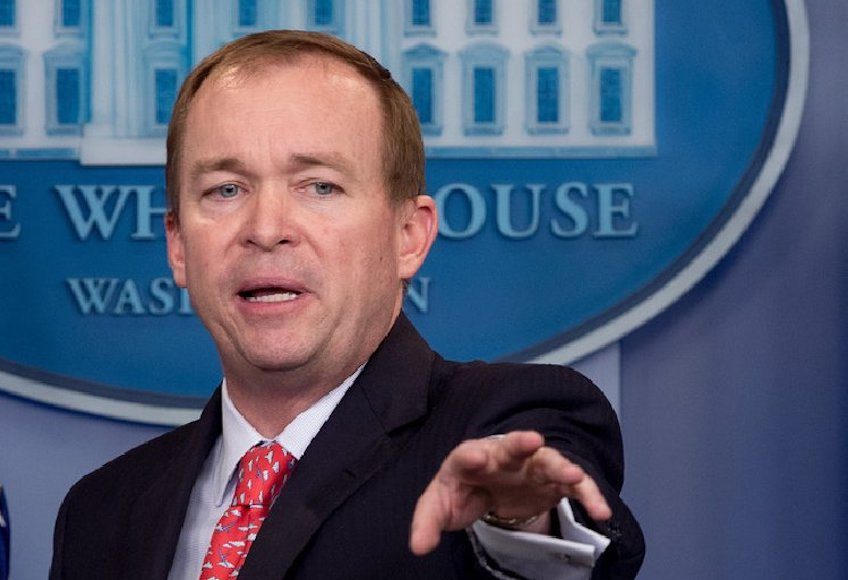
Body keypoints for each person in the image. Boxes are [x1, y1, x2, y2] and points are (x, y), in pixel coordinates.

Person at [50, 30, 644, 579]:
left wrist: (521, 522)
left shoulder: (503, 425)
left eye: (320, 186)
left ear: (408, 235)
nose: (266, 227)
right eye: (226, 190)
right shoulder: (101, 510)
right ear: (178, 246)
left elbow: (565, 556)